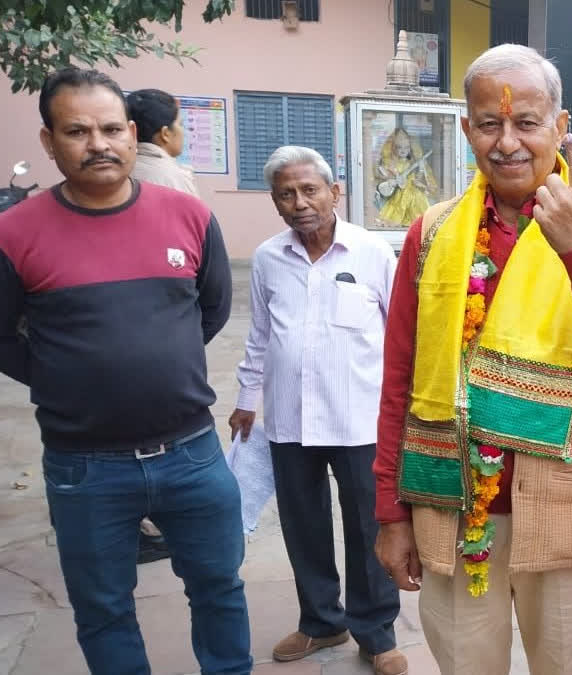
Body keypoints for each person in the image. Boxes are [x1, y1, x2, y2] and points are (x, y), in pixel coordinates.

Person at [372, 44, 572, 674]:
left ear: (560, 127)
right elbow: (399, 381)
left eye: (526, 123)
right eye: (489, 124)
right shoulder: (432, 234)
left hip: (567, 513)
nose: (507, 143)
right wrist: (391, 513)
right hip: (448, 503)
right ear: (467, 128)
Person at [0, 68, 246, 674]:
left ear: (134, 135)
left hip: (193, 455)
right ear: (48, 140)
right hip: (85, 468)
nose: (98, 143)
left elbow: (211, 309)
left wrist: (157, 360)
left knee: (219, 588)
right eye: (77, 131)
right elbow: (2, 337)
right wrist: (65, 377)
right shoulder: (13, 233)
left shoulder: (188, 217)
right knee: (103, 608)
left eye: (111, 128)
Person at [229, 146, 407, 674]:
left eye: (310, 190)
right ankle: (321, 621)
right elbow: (260, 334)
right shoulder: (267, 258)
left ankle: (375, 632)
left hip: (360, 420)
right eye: (287, 193)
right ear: (276, 202)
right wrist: (245, 399)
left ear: (335, 192)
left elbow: (401, 335)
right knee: (303, 525)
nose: (300, 202)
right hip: (289, 419)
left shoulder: (372, 253)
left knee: (369, 527)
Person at [126, 87, 203, 566]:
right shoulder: (171, 180)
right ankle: (153, 517)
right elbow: (206, 277)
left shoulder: (120, 175)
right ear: (164, 131)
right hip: (164, 332)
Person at [126, 88, 199, 197]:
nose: (184, 131)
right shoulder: (175, 179)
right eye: (181, 124)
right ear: (165, 133)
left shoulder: (120, 171)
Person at [376, 126, 436, 228]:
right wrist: (393, 179)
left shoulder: (410, 163)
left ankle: (415, 222)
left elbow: (417, 178)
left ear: (410, 149)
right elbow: (385, 174)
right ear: (394, 148)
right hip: (399, 191)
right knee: (403, 200)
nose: (403, 151)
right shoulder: (393, 164)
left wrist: (421, 169)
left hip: (412, 188)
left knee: (416, 199)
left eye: (407, 148)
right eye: (400, 147)